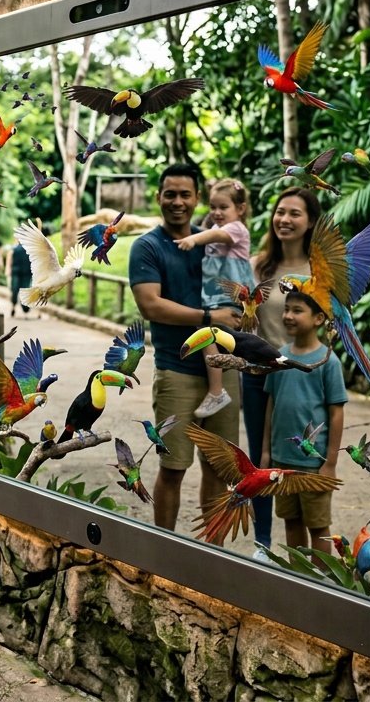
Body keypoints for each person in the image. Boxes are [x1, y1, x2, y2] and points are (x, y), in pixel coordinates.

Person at [128, 164, 241, 534]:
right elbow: (152, 305)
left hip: (225, 369)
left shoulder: (211, 239)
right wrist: (210, 315)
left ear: (197, 199)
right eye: (170, 194)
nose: (178, 202)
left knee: (219, 468)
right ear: (159, 197)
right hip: (177, 371)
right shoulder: (147, 247)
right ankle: (165, 550)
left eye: (185, 194)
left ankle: (213, 556)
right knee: (173, 466)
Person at [244, 187, 322, 559]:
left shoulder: (321, 272)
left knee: (302, 457)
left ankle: (308, 551)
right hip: (258, 376)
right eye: (280, 212)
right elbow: (244, 321)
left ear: (310, 223)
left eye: (295, 214)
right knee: (260, 461)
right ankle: (262, 542)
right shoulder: (258, 266)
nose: (285, 220)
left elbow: (330, 329)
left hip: (301, 381)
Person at [261, 290, 346, 551]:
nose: (288, 315)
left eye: (297, 310)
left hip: (313, 463)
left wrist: (330, 463)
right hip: (282, 461)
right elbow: (271, 405)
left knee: (318, 526)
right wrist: (266, 452)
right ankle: (297, 578)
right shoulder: (279, 356)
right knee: (291, 521)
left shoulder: (328, 362)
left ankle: (319, 581)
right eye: (286, 309)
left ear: (319, 318)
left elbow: (336, 413)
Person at [176, 178, 255, 419]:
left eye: (223, 207)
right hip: (217, 292)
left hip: (232, 291)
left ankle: (217, 390)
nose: (217, 212)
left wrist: (193, 239)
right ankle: (218, 387)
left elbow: (215, 237)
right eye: (213, 207)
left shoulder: (236, 229)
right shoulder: (216, 228)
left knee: (207, 332)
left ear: (240, 210)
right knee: (208, 332)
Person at [3, 239, 32, 318]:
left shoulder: (13, 249)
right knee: (24, 290)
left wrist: (8, 272)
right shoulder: (30, 250)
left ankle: (13, 306)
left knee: (14, 290)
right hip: (26, 273)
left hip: (16, 272)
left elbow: (9, 262)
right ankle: (25, 309)